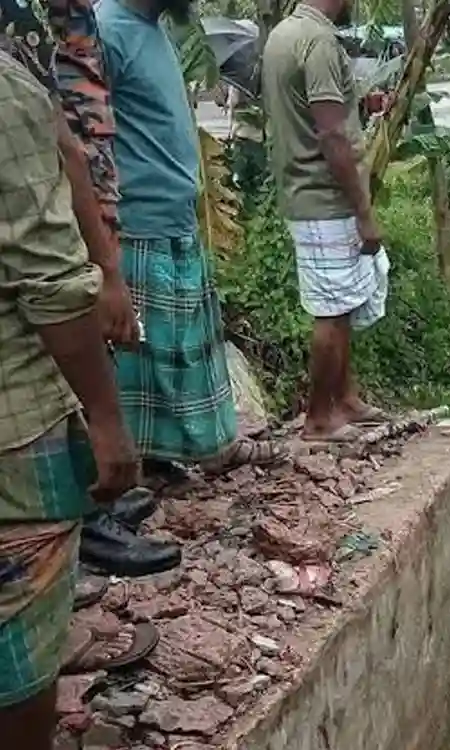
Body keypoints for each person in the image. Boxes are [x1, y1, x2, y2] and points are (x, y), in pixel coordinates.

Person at [0, 0, 181, 578]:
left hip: (73, 197)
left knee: (78, 351)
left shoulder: (49, 16)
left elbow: (67, 141)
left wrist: (104, 261)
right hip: (43, 220)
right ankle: (78, 536)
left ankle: (85, 518)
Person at [0, 40, 143, 749]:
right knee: (20, 653)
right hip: (13, 424)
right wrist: (108, 420)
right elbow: (50, 285)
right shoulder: (4, 90)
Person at [96, 0, 285, 471]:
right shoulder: (105, 31)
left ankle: (210, 445)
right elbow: (86, 143)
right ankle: (135, 471)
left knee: (183, 349)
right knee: (142, 359)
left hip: (173, 217)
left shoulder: (153, 29)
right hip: (137, 222)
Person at [261, 0, 392, 442]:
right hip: (325, 197)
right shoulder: (317, 42)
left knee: (342, 301)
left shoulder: (285, 34)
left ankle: (347, 400)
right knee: (332, 311)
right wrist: (364, 212)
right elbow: (332, 135)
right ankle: (319, 418)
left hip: (306, 192)